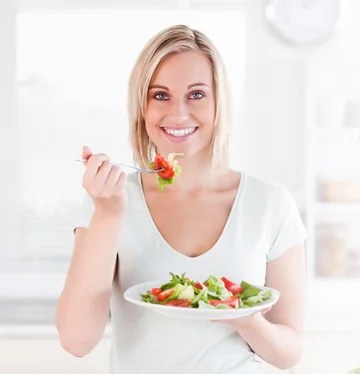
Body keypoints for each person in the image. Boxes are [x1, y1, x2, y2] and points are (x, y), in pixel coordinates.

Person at [55, 24, 307, 374]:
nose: (178, 114)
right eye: (160, 95)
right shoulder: (108, 200)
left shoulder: (270, 204)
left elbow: (289, 352)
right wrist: (109, 214)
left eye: (196, 94)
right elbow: (76, 340)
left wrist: (247, 320)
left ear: (219, 103)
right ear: (141, 107)